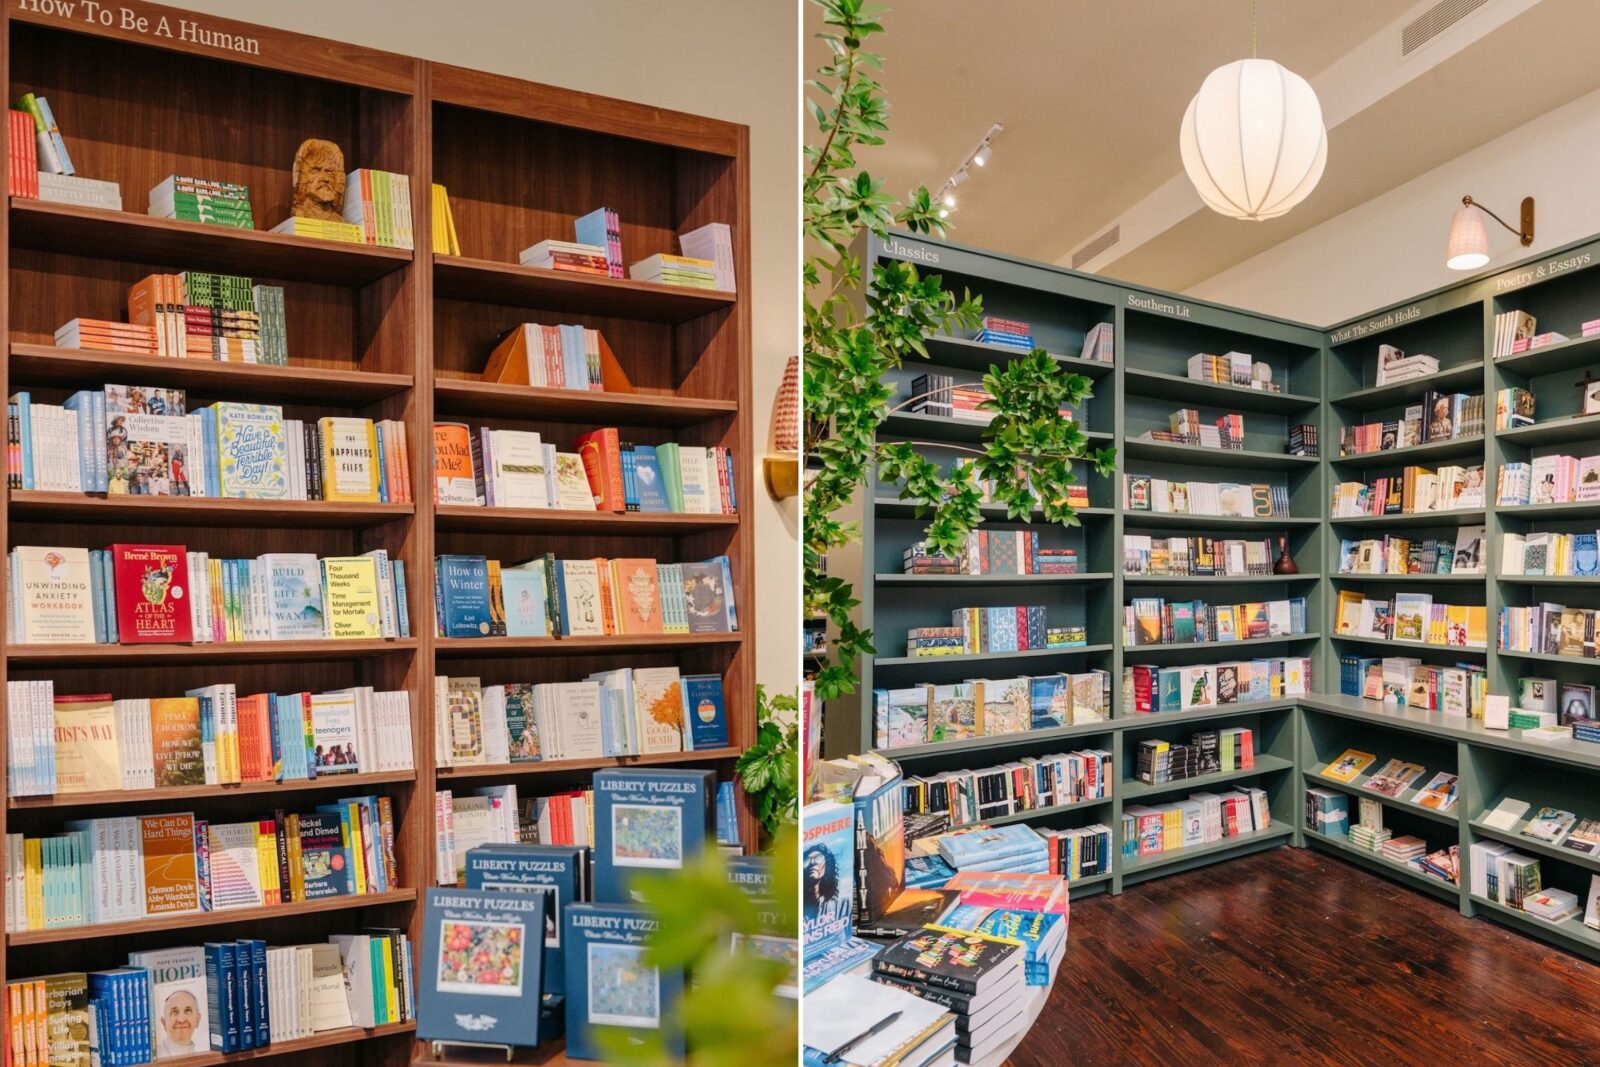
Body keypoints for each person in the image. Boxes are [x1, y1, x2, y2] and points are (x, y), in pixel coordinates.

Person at [156, 989, 202, 1057]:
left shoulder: (203, 1056)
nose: (181, 1020)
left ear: (197, 1020)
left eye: (188, 1011)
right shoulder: (155, 1056)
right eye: (174, 1012)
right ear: (164, 1022)